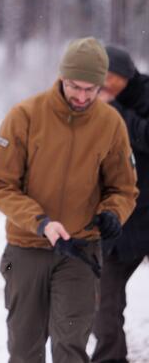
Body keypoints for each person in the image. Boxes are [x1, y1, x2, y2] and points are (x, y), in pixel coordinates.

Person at [0, 37, 138, 363]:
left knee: (71, 347)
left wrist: (112, 213)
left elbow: (123, 189)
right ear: (61, 77)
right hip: (26, 249)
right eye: (74, 87)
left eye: (91, 89)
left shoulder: (111, 124)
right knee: (25, 349)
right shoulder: (24, 116)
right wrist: (40, 222)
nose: (82, 97)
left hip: (80, 250)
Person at [92, 45, 149, 363]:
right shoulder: (93, 103)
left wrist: (115, 112)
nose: (104, 83)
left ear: (126, 74)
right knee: (103, 301)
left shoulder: (143, 96)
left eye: (109, 77)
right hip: (119, 220)